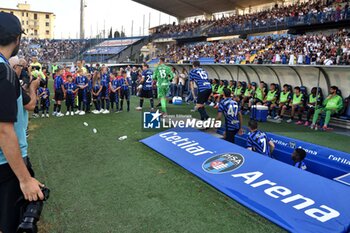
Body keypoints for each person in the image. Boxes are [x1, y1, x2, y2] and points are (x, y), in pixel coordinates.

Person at [0, 12, 44, 233]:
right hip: (5, 166)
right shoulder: (3, 71)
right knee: (16, 225)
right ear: (17, 38)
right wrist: (25, 179)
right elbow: (3, 131)